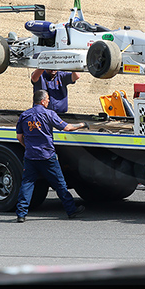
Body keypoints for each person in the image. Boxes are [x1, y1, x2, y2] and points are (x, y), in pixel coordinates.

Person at [15, 89, 88, 222]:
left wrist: (28, 147)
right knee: (60, 184)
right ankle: (71, 210)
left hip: (30, 156)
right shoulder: (49, 114)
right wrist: (82, 124)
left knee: (27, 184)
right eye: (47, 99)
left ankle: (21, 214)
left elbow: (19, 136)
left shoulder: (24, 115)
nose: (49, 101)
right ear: (42, 101)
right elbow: (67, 128)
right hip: (47, 156)